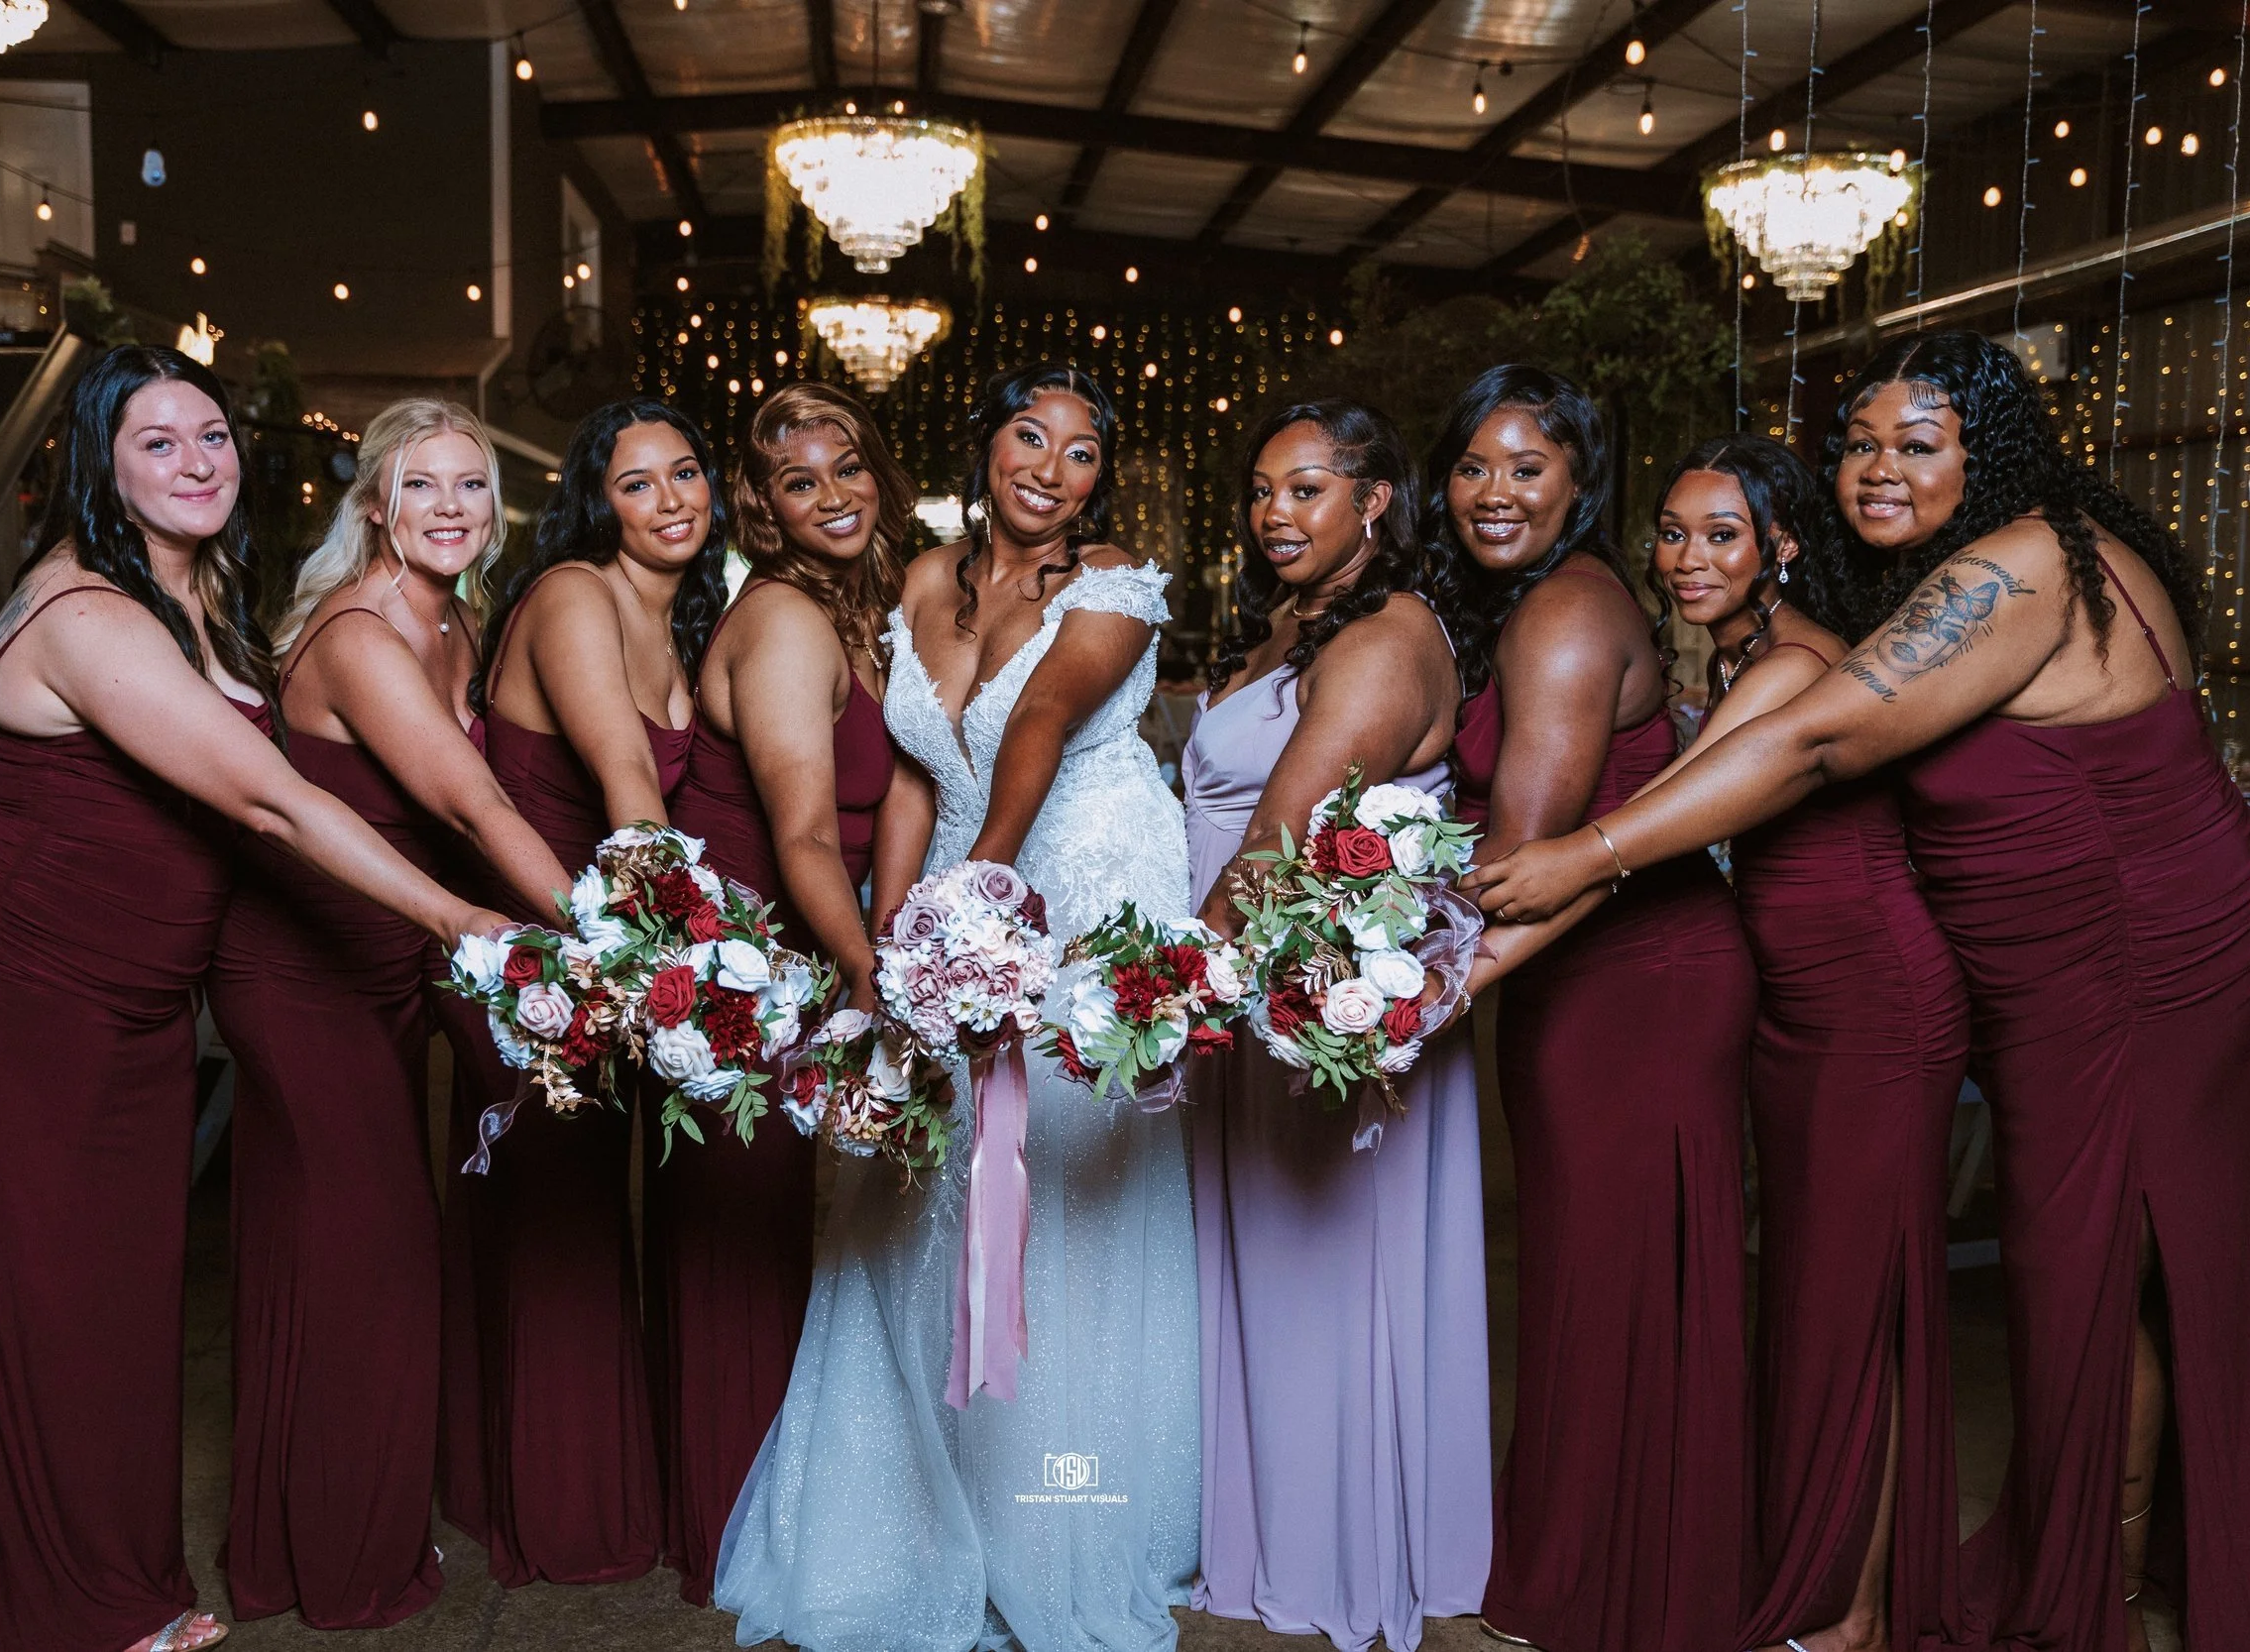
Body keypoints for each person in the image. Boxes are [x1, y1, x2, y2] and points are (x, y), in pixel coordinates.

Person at [1469, 330, 2250, 1652]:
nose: (1876, 468)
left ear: (1990, 451)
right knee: (2093, 1269)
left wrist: (1589, 848)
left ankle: (2094, 1597)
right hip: (2060, 960)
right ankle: (2086, 1571)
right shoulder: (1998, 555)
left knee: (2098, 1268)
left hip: (2147, 948)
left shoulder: (2017, 564)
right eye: (1858, 443)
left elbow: (1820, 735)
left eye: (1919, 445)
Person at [0, 346, 506, 1652]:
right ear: (97, 463)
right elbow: (270, 795)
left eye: (212, 436)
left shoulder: (207, 594)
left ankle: (110, 1584)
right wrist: (458, 916)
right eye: (157, 442)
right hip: (13, 986)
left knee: (109, 1309)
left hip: (131, 997)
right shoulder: (90, 613)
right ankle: (39, 1609)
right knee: (33, 1299)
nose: (197, 462)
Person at [716, 364, 1198, 1652]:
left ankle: (1061, 1510)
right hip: (957, 887)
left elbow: (1036, 720)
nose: (1052, 467)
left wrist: (980, 901)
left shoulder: (1115, 586)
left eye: (1084, 451)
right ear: (982, 447)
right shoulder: (923, 579)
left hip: (1087, 886)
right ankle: (923, 1499)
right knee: (919, 1189)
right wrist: (895, 939)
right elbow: (919, 772)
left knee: (1057, 1196)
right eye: (1028, 437)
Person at [1595, 434, 1970, 1652]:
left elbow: (1652, 826)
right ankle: (1834, 1576)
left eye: (1721, 532)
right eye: (1672, 529)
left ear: (1780, 546)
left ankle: (1853, 1609)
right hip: (1800, 1005)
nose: (1686, 555)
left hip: (1873, 999)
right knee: (1821, 1293)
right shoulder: (1739, 652)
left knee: (1856, 1299)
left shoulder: (1791, 660)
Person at [206, 398, 572, 1629]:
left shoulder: (452, 615)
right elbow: (469, 806)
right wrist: (619, 929)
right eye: (425, 486)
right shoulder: (361, 631)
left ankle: (297, 1533)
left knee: (347, 1254)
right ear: (376, 503)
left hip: (391, 968)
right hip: (298, 972)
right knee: (364, 1257)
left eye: (473, 485)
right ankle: (339, 1559)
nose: (455, 508)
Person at [1425, 366, 1754, 1652]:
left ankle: (1617, 1581)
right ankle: (1615, 1555)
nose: (1494, 491)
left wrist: (1353, 933)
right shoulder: (1559, 594)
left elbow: (1517, 858)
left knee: (1613, 1278)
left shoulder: (1561, 611)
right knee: (1595, 1274)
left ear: (1579, 481)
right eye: (1473, 464)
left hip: (1636, 989)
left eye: (1527, 466)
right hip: (1603, 970)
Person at [1183, 399, 1486, 1652]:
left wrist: (1169, 990)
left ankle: (1325, 1542)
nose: (1275, 514)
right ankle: (1250, 1526)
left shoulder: (1384, 637)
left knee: (1317, 1269)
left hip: (1301, 991)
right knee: (1259, 1259)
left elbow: (1276, 836)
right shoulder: (1295, 626)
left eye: (1306, 489)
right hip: (1258, 990)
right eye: (1261, 490)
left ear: (1375, 500)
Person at [437, 396, 729, 1589]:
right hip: (535, 969)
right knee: (562, 1239)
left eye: (686, 474)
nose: (670, 501)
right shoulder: (570, 594)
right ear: (594, 503)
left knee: (613, 1225)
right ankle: (571, 1524)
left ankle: (622, 1492)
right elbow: (622, 779)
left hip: (606, 949)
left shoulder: (686, 617)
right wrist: (689, 961)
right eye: (636, 483)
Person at [643, 383, 903, 1603]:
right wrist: (872, 976)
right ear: (767, 509)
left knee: (761, 1241)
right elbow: (802, 834)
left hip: (784, 956)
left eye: (846, 467)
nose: (833, 494)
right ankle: (731, 1535)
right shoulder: (790, 620)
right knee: (737, 1247)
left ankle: (764, 1511)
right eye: (801, 483)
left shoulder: (847, 606)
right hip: (744, 970)